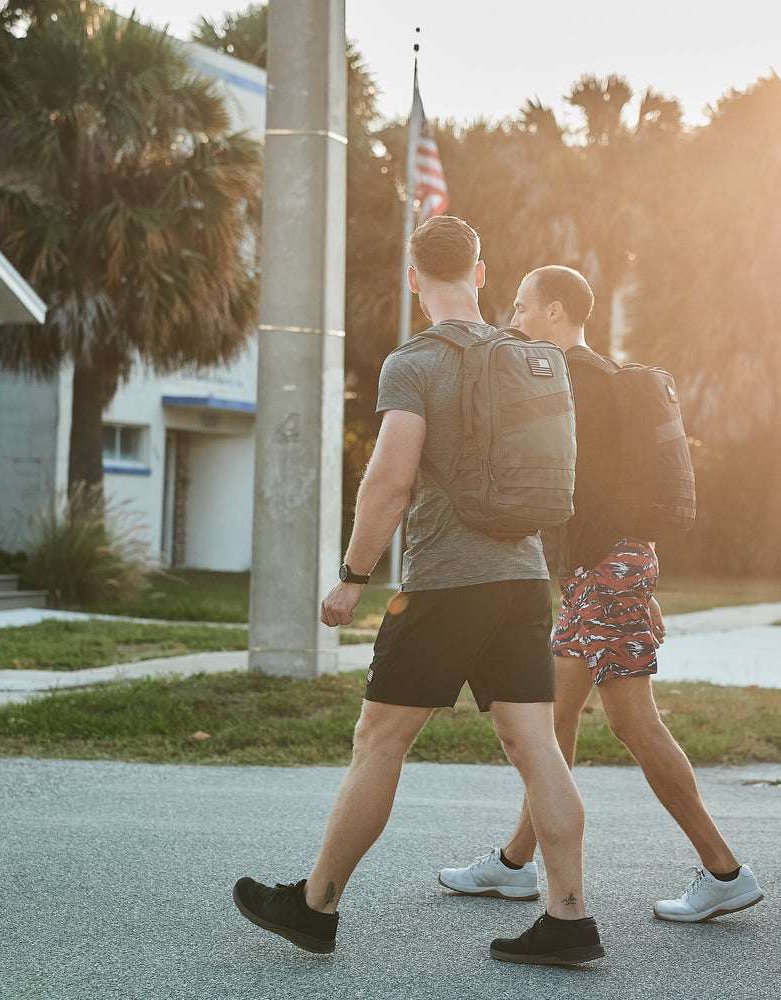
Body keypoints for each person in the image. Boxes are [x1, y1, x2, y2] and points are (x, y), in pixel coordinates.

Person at [233, 218, 603, 966]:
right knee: (536, 747)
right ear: (482, 271)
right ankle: (568, 918)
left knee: (380, 742)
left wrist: (353, 576)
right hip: (523, 576)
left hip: (444, 584)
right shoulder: (531, 355)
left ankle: (316, 905)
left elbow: (391, 479)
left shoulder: (415, 362)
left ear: (413, 278)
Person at [437, 265, 763, 923]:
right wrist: (637, 577)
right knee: (553, 719)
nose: (515, 318)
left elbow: (556, 484)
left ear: (556, 313)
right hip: (609, 569)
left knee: (629, 721)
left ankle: (723, 869)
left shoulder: (570, 381)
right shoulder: (603, 379)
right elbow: (611, 492)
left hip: (604, 569)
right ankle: (512, 864)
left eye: (524, 307)